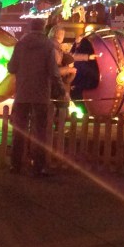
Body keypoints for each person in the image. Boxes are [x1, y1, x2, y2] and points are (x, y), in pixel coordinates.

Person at [7, 17, 62, 176]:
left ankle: (16, 165)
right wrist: (60, 89)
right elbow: (53, 70)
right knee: (40, 132)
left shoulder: (21, 44)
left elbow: (11, 67)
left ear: (30, 27)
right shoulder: (47, 45)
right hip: (41, 93)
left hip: (23, 93)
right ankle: (39, 166)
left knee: (19, 130)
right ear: (43, 28)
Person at [47, 23, 76, 167]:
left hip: (54, 84)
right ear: (59, 35)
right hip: (55, 84)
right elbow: (54, 71)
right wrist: (68, 70)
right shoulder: (54, 49)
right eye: (62, 34)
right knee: (60, 106)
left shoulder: (53, 47)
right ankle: (57, 139)